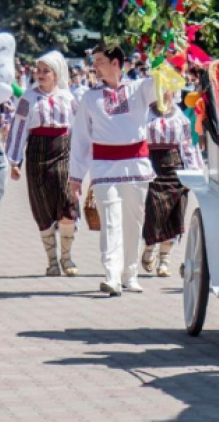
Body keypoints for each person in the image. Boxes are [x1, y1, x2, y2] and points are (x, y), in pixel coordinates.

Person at [70, 44, 157, 296]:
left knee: (133, 221)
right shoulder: (90, 97)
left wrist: (167, 53)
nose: (94, 66)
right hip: (104, 167)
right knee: (110, 220)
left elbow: (164, 84)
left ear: (116, 63)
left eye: (99, 61)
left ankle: (130, 273)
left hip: (135, 166)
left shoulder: (139, 88)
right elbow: (81, 139)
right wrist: (76, 177)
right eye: (94, 61)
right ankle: (111, 275)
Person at [6, 51, 80, 277]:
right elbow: (18, 128)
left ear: (56, 74)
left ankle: (67, 258)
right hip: (37, 154)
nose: (40, 74)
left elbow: (79, 130)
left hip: (63, 152)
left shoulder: (68, 98)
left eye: (45, 71)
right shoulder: (27, 99)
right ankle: (52, 261)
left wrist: (82, 159)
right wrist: (15, 160)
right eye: (38, 70)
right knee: (42, 206)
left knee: (68, 204)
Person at [140, 90, 202, 277]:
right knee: (153, 211)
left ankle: (165, 260)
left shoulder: (179, 116)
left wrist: (194, 171)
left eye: (168, 88)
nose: (164, 92)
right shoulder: (145, 113)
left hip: (175, 164)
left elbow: (187, 144)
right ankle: (150, 246)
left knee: (175, 212)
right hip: (151, 164)